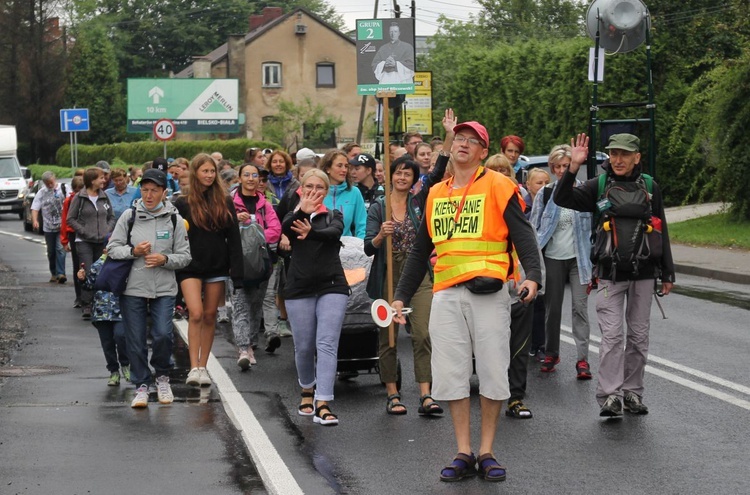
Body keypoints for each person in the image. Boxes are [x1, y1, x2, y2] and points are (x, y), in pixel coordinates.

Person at [391, 120, 542, 482]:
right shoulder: (436, 194)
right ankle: (463, 450)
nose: (463, 144)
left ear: (482, 153)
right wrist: (399, 296)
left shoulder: (499, 185)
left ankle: (487, 451)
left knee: (492, 371)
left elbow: (523, 236)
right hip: (446, 292)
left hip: (488, 294)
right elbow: (420, 251)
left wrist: (533, 275)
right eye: (459, 138)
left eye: (472, 141)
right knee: (452, 374)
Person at [553, 133, 675, 417]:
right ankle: (610, 395)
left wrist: (667, 272)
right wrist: (573, 167)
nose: (617, 160)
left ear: (637, 157)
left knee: (639, 336)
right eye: (613, 154)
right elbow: (562, 198)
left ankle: (632, 393)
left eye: (624, 154)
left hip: (644, 272)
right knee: (611, 336)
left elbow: (661, 229)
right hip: (609, 274)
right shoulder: (600, 185)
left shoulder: (649, 186)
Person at [365, 108, 455, 417]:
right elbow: (367, 247)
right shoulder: (378, 207)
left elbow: (439, 169)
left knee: (422, 334)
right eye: (399, 173)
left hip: (417, 275)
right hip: (388, 273)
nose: (403, 177)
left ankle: (426, 395)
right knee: (388, 337)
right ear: (390, 176)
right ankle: (392, 393)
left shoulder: (419, 202)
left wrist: (449, 134)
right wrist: (380, 236)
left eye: (408, 174)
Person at [107, 168, 192, 408]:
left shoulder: (174, 218)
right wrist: (133, 252)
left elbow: (185, 257)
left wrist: (165, 260)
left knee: (163, 335)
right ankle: (142, 385)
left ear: (165, 192)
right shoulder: (129, 216)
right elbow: (113, 248)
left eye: (154, 190)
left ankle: (163, 377)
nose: (149, 194)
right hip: (133, 286)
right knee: (134, 339)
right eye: (145, 190)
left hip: (164, 288)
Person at [282, 169, 349, 426]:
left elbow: (334, 233)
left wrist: (312, 231)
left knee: (327, 343)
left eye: (319, 187)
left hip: (332, 285)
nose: (313, 190)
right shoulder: (293, 215)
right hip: (299, 287)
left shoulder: (334, 215)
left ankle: (323, 401)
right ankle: (307, 389)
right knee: (304, 346)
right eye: (309, 186)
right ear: (301, 189)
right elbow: (287, 229)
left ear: (326, 191)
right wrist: (302, 211)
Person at [174, 153, 243, 388]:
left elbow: (233, 237)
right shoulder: (182, 202)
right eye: (204, 171)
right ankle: (193, 367)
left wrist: (237, 270)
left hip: (216, 264)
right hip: (189, 265)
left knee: (211, 314)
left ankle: (203, 366)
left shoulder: (224, 200)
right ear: (195, 173)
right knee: (195, 313)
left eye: (212, 171)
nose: (209, 175)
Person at [530, 145, 593, 379]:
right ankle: (551, 352)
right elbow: (535, 229)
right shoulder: (546, 194)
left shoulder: (585, 192)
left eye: (566, 166)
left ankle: (582, 359)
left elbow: (594, 230)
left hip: (580, 260)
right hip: (553, 258)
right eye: (557, 167)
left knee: (580, 308)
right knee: (552, 309)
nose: (562, 170)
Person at [230, 163, 281, 368]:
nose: (251, 179)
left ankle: (251, 341)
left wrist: (254, 234)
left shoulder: (265, 204)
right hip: (236, 262)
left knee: (255, 304)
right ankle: (243, 348)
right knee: (240, 305)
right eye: (247, 175)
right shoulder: (230, 202)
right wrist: (236, 221)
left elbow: (275, 230)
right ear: (240, 177)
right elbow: (222, 226)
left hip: (261, 262)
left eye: (254, 175)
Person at [67, 167, 115, 319]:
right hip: (84, 241)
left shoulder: (104, 196)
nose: (104, 180)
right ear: (92, 180)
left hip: (101, 241)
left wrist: (107, 230)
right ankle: (86, 303)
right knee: (88, 271)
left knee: (100, 272)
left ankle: (98, 302)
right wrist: (84, 231)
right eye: (101, 178)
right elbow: (71, 219)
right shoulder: (79, 198)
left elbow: (111, 217)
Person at [77, 253, 130, 386]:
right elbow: (89, 285)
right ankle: (114, 372)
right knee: (107, 343)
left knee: (120, 336)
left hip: (120, 311)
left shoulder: (125, 264)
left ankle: (125, 364)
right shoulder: (97, 265)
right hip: (101, 312)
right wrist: (82, 279)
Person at [318, 150, 367, 239]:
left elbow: (362, 224)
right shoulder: (317, 191)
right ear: (327, 169)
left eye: (346, 166)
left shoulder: (354, 192)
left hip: (346, 248)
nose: (344, 170)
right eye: (339, 166)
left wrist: (362, 245)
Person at [31, 171, 67, 284]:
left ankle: (61, 273)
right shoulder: (42, 192)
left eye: (51, 182)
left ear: (54, 178)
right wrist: (35, 220)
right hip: (48, 226)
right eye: (47, 183)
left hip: (62, 226)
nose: (50, 185)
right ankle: (54, 273)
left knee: (60, 249)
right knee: (51, 251)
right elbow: (35, 207)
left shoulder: (64, 188)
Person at [61, 176, 84, 307]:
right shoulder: (69, 200)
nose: (78, 193)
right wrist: (64, 241)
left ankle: (88, 296)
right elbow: (64, 220)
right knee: (77, 265)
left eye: (81, 190)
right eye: (76, 190)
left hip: (87, 233)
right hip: (73, 234)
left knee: (87, 264)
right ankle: (79, 296)